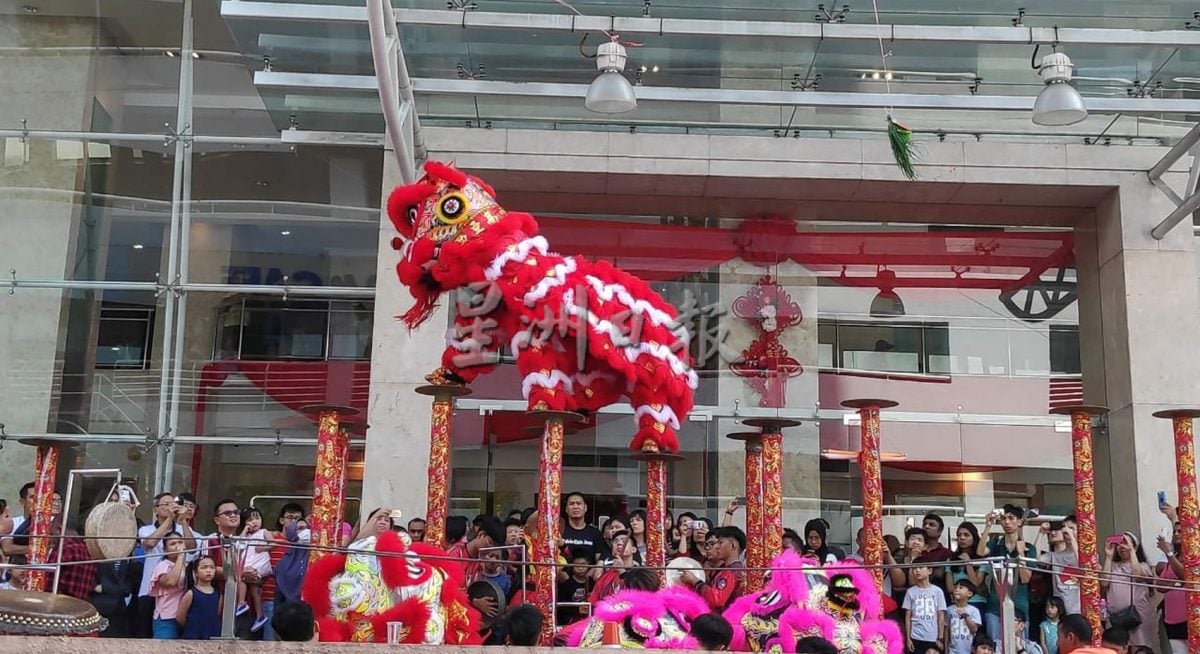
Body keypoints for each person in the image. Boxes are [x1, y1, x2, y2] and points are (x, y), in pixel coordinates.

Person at [976, 505, 1037, 640]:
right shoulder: (996, 543)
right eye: (1003, 519)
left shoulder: (1029, 548)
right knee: (995, 645)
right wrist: (988, 526)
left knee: (1020, 646)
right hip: (995, 605)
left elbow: (1025, 578)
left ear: (1020, 521)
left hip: (1019, 606)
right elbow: (980, 552)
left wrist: (1021, 554)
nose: (1007, 522)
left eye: (1011, 518)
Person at [1101, 531, 1156, 650]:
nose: (1121, 547)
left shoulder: (1143, 566)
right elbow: (1104, 582)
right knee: (1116, 647)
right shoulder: (1113, 565)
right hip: (1116, 618)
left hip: (1138, 616)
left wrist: (1132, 551)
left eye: (1125, 543)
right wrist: (1109, 556)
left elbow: (1138, 575)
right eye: (1119, 544)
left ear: (1135, 546)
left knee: (1139, 648)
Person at [260, 502, 304, 640]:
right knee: (270, 640)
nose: (293, 521)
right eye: (290, 517)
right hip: (270, 596)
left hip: (293, 599)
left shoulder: (302, 542)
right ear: (281, 520)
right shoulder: (272, 539)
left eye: (297, 518)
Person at [682, 526, 746, 611]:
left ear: (732, 545)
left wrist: (695, 581)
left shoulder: (731, 572)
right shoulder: (735, 569)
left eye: (720, 542)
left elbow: (717, 600)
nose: (716, 547)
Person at [236, 506, 274, 632]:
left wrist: (262, 548)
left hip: (260, 563)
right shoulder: (246, 536)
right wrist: (244, 531)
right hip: (251, 563)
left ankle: (241, 602)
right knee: (254, 589)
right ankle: (259, 615)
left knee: (242, 578)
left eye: (257, 518)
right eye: (250, 520)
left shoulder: (263, 532)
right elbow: (238, 545)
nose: (254, 522)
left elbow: (273, 543)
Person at [1155, 505, 1186, 654]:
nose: (1176, 534)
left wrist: (1168, 553)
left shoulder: (1193, 557)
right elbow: (1159, 585)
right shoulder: (1172, 558)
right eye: (1175, 532)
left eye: (1180, 531)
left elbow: (1186, 576)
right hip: (1172, 620)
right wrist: (1177, 584)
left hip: (1191, 619)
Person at [945, 522, 989, 626]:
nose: (962, 538)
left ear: (974, 537)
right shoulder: (951, 560)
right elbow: (950, 588)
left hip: (976, 602)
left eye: (966, 535)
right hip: (957, 603)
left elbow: (976, 584)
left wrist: (968, 563)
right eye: (959, 535)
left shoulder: (981, 560)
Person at [149, 533, 188, 639]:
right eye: (173, 544)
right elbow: (170, 582)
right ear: (165, 550)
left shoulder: (188, 565)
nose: (177, 546)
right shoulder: (163, 565)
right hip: (166, 619)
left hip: (184, 618)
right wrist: (181, 556)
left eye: (180, 542)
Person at [1039, 521, 1082, 616]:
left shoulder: (1087, 554)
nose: (1053, 533)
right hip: (1059, 610)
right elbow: (1036, 561)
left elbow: (1084, 566)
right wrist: (1041, 534)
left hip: (1080, 609)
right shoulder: (1053, 556)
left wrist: (1072, 537)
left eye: (1071, 528)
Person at [903, 564, 946, 654]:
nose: (917, 570)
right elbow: (908, 616)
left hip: (933, 637)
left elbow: (941, 615)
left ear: (929, 571)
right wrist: (908, 638)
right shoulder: (910, 592)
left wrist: (940, 637)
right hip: (915, 636)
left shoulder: (937, 591)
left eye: (921, 568)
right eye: (915, 568)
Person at [178, 556, 221, 640]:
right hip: (192, 636)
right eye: (204, 567)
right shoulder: (191, 593)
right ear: (196, 572)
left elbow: (217, 614)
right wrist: (192, 626)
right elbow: (180, 617)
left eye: (212, 567)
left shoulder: (218, 594)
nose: (208, 570)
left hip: (212, 635)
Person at [590, 529, 638, 603]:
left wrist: (622, 571)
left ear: (633, 549)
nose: (619, 543)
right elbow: (594, 601)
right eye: (616, 541)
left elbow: (640, 594)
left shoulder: (640, 573)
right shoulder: (605, 577)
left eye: (624, 541)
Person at [274, 518, 310, 605]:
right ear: (292, 532)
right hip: (288, 609)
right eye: (301, 528)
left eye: (308, 528)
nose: (306, 531)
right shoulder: (283, 563)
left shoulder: (317, 555)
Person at [561, 492, 603, 561]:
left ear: (585, 508)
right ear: (566, 509)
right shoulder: (560, 531)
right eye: (571, 504)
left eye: (579, 503)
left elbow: (599, 562)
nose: (575, 507)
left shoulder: (595, 533)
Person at [917, 513, 953, 590]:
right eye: (924, 524)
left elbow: (941, 575)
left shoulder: (947, 553)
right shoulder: (915, 550)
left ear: (940, 531)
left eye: (931, 525)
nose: (926, 526)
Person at [946, 579, 982, 654]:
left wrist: (965, 616)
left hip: (967, 650)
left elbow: (974, 629)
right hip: (952, 650)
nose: (956, 590)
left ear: (969, 593)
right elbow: (947, 630)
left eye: (961, 588)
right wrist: (946, 648)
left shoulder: (974, 610)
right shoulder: (949, 609)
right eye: (955, 588)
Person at [556, 554, 592, 626]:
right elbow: (560, 606)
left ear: (588, 565)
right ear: (572, 566)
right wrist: (576, 609)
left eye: (583, 564)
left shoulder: (593, 583)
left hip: (590, 618)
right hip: (572, 620)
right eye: (577, 565)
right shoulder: (566, 584)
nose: (581, 568)